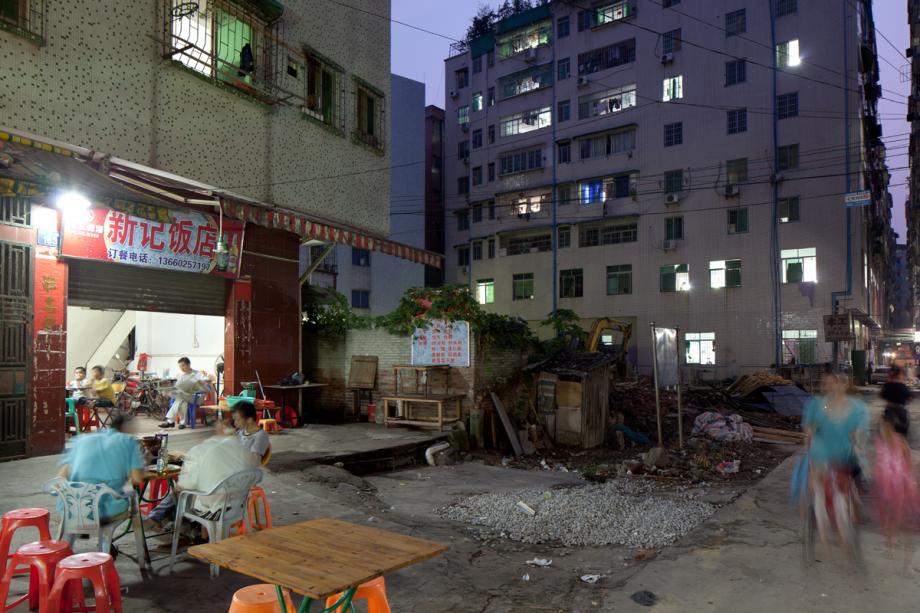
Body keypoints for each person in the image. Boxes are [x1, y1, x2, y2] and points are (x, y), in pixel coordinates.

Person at [802, 372, 870, 548]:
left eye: (832, 383)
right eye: (827, 384)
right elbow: (857, 435)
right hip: (829, 455)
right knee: (830, 492)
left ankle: (833, 532)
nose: (829, 387)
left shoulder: (819, 405)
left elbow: (809, 432)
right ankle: (838, 532)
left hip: (834, 455)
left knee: (829, 493)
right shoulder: (853, 407)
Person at [57, 410, 144, 520]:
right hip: (104, 510)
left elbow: (60, 477)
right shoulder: (128, 441)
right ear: (126, 429)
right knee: (132, 496)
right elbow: (137, 478)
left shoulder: (81, 440)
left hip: (70, 510)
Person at [873, 405, 920, 550]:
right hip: (885, 480)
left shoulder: (900, 441)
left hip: (899, 480)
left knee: (897, 508)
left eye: (885, 425)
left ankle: (892, 535)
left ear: (892, 425)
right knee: (886, 507)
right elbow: (878, 459)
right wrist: (875, 471)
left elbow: (907, 459)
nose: (883, 428)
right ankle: (889, 533)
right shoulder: (879, 442)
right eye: (881, 425)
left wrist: (911, 478)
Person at [160, 357, 210, 429]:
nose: (181, 368)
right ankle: (182, 423)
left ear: (188, 365)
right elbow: (177, 387)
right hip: (185, 397)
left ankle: (170, 421)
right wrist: (169, 391)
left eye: (183, 365)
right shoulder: (182, 376)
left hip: (197, 398)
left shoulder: (197, 374)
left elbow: (206, 382)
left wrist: (204, 381)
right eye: (180, 366)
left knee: (180, 397)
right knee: (182, 400)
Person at [881, 366, 911, 437]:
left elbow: (882, 395)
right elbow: (909, 397)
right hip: (900, 409)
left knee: (887, 431)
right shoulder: (902, 386)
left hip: (889, 408)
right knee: (902, 432)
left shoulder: (887, 385)